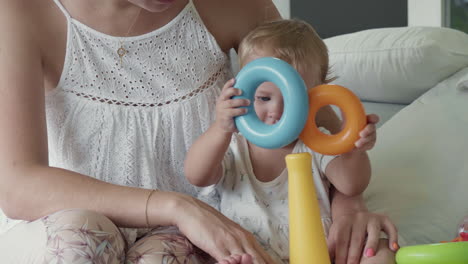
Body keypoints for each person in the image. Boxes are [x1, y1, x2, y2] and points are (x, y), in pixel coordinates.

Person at [0, 0, 394, 263]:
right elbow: (18, 186)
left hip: (191, 238)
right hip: (77, 219)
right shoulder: (23, 13)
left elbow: (309, 116)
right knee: (77, 247)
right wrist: (177, 206)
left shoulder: (235, 5)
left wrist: (348, 208)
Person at [185, 19, 398, 264]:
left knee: (381, 251)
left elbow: (352, 185)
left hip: (318, 256)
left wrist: (354, 147)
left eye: (293, 99)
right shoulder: (235, 145)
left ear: (318, 96)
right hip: (253, 256)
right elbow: (196, 175)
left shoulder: (316, 142)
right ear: (245, 89)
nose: (277, 111)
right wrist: (220, 129)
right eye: (264, 97)